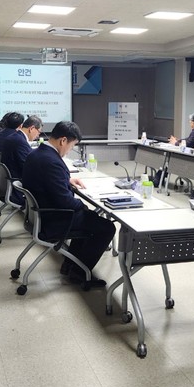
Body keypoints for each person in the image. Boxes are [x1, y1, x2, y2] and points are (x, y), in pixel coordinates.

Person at [21, 121, 115, 286]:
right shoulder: (52, 161)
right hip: (53, 219)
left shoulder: (36, 154)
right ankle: (79, 273)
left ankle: (70, 265)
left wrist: (67, 180)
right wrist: (82, 205)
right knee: (106, 227)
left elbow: (46, 180)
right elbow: (65, 201)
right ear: (63, 140)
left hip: (40, 214)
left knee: (89, 218)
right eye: (72, 146)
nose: (70, 150)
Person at [1, 115, 43, 202]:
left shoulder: (14, 137)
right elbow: (29, 167)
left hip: (10, 182)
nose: (38, 136)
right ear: (31, 128)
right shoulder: (20, 141)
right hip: (18, 186)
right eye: (38, 132)